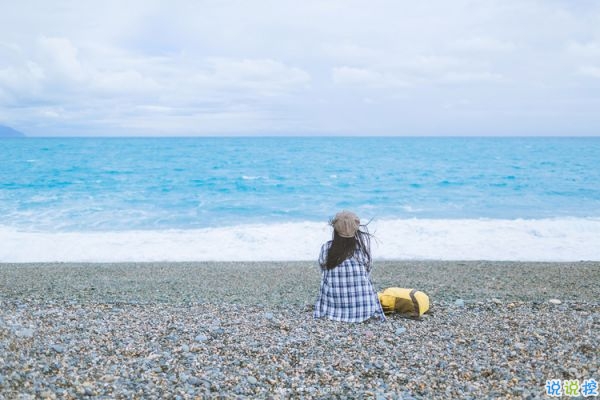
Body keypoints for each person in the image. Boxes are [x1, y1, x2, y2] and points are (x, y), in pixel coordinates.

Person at [314, 211, 386, 322]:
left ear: (335, 228)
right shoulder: (362, 249)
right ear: (356, 228)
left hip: (333, 311)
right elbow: (368, 271)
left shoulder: (326, 248)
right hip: (364, 310)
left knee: (327, 278)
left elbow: (323, 270)